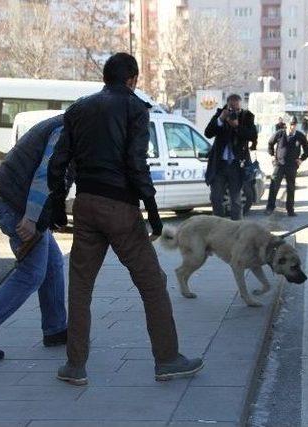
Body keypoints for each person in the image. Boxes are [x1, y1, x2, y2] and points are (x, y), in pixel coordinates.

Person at [48, 52, 203, 385]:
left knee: (80, 287)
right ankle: (168, 359)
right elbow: (136, 163)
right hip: (120, 207)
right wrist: (153, 212)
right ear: (132, 79)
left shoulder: (78, 109)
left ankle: (75, 367)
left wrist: (58, 203)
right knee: (152, 284)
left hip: (86, 204)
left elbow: (58, 161)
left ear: (106, 78)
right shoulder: (135, 108)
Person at [0, 115, 69, 360]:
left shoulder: (71, 125)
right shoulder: (66, 130)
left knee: (53, 264)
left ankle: (56, 329)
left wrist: (54, 214)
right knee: (31, 272)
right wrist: (30, 217)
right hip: (15, 204)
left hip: (20, 201)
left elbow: (60, 178)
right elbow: (45, 174)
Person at [204, 94, 257, 220]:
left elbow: (253, 135)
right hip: (219, 165)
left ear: (241, 107)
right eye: (232, 109)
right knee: (216, 198)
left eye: (237, 109)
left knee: (236, 200)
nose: (235, 111)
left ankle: (236, 228)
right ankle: (219, 227)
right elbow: (208, 133)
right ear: (227, 106)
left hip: (237, 165)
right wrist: (220, 120)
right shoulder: (220, 114)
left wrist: (237, 126)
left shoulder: (247, 116)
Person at [265, 116, 308, 217]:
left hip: (292, 166)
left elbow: (307, 148)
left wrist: (301, 159)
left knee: (291, 188)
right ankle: (270, 207)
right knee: (274, 186)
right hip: (279, 164)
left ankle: (290, 209)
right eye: (291, 124)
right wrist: (272, 156)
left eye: (294, 124)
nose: (292, 127)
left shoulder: (299, 136)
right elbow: (270, 144)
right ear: (287, 125)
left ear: (296, 125)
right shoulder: (280, 133)